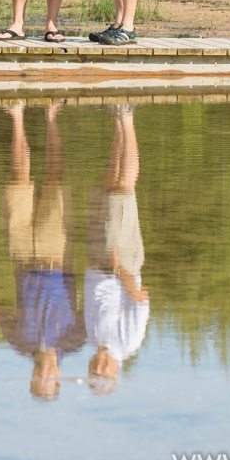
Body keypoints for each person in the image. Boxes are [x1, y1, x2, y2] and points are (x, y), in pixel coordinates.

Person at [2, 103, 84, 399]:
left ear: (31, 377)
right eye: (48, 379)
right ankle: (51, 116)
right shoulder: (74, 341)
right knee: (54, 179)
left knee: (18, 181)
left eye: (38, 379)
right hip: (56, 257)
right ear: (59, 378)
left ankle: (18, 117)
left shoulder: (20, 343)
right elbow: (91, 307)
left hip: (22, 256)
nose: (43, 373)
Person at [85, 104, 149, 394]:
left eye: (93, 372)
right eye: (103, 373)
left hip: (98, 260)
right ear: (115, 372)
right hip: (117, 262)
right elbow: (140, 298)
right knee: (124, 188)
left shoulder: (92, 339)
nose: (97, 367)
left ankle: (118, 121)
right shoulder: (128, 343)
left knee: (109, 184)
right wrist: (118, 266)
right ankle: (127, 118)